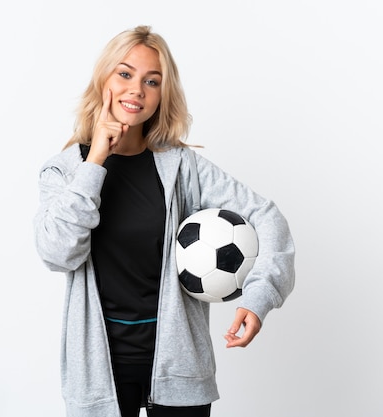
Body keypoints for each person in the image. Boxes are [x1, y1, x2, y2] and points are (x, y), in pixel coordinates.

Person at [33, 25, 295, 417]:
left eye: (151, 81)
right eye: (125, 74)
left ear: (162, 94)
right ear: (103, 80)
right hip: (98, 374)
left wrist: (259, 297)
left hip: (179, 367)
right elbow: (58, 253)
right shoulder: (65, 171)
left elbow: (266, 214)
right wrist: (96, 162)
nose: (136, 89)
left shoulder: (181, 167)